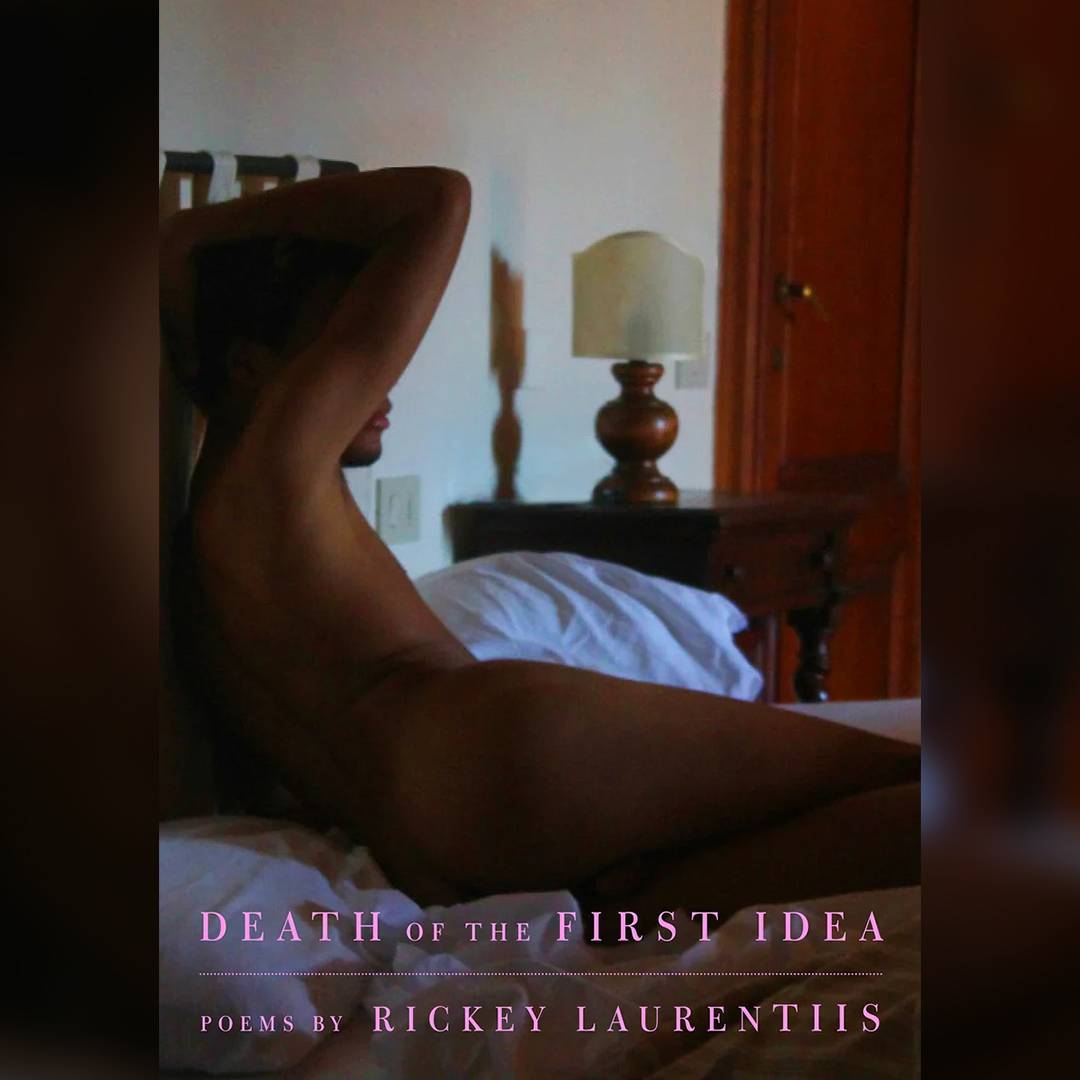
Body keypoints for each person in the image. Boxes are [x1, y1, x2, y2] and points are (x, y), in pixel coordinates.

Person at [160, 167, 918, 916]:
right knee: (911, 782)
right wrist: (192, 233)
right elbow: (440, 197)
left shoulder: (206, 559)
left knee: (877, 846)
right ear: (250, 367)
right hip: (498, 744)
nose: (383, 386)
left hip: (431, 842)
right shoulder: (276, 468)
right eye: (349, 358)